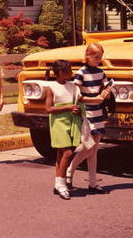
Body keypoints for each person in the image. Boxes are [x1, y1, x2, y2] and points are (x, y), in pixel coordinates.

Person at [66, 43, 111, 194]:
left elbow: (107, 87)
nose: (98, 60)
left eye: (100, 57)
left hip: (98, 112)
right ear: (87, 56)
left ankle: (92, 182)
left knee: (94, 149)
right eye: (96, 57)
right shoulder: (81, 73)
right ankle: (70, 171)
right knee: (89, 147)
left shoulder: (101, 72)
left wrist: (106, 93)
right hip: (87, 113)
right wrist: (94, 100)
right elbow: (77, 95)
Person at [45, 60, 84, 200]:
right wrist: (67, 108)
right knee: (67, 153)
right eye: (69, 70)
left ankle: (57, 183)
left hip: (71, 122)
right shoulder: (51, 87)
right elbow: (49, 109)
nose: (71, 73)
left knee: (60, 155)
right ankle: (62, 185)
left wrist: (77, 110)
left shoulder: (72, 86)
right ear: (60, 72)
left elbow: (77, 102)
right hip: (58, 123)